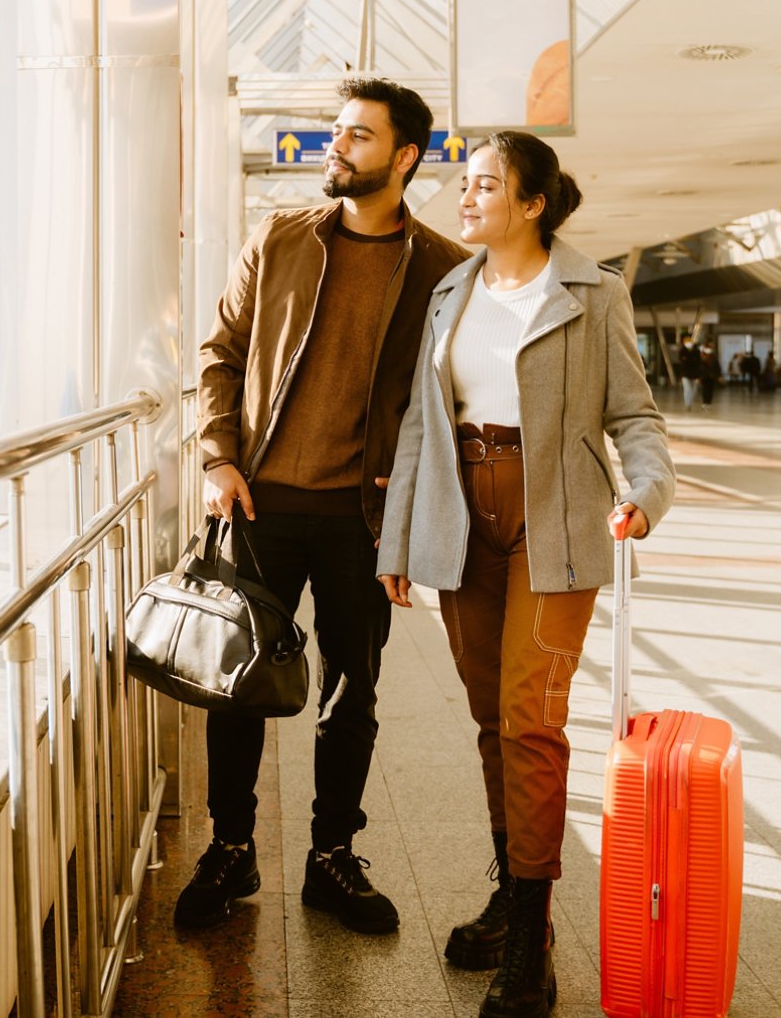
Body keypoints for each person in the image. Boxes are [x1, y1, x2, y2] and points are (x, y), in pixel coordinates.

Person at [376, 131, 674, 1018]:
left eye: (485, 186)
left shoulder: (593, 292)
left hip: (555, 524)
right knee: (487, 719)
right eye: (464, 184)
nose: (465, 199)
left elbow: (636, 416)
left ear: (534, 202)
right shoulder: (450, 291)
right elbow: (421, 428)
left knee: (530, 720)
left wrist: (649, 495)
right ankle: (515, 896)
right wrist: (397, 541)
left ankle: (532, 944)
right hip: (461, 516)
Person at [189, 78, 468, 934]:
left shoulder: (442, 270)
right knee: (236, 686)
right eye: (334, 132)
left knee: (354, 690)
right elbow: (222, 352)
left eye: (356, 136)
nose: (334, 148)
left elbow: (451, 399)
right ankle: (230, 848)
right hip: (261, 502)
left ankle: (331, 857)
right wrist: (216, 457)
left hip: (361, 520)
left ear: (405, 156)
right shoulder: (278, 238)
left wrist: (414, 514)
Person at [676, 333, 702, 410]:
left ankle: (690, 402)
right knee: (687, 389)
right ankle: (688, 404)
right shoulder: (682, 351)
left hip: (695, 374)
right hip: (685, 374)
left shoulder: (696, 351)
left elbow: (698, 362)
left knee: (694, 390)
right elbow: (681, 361)